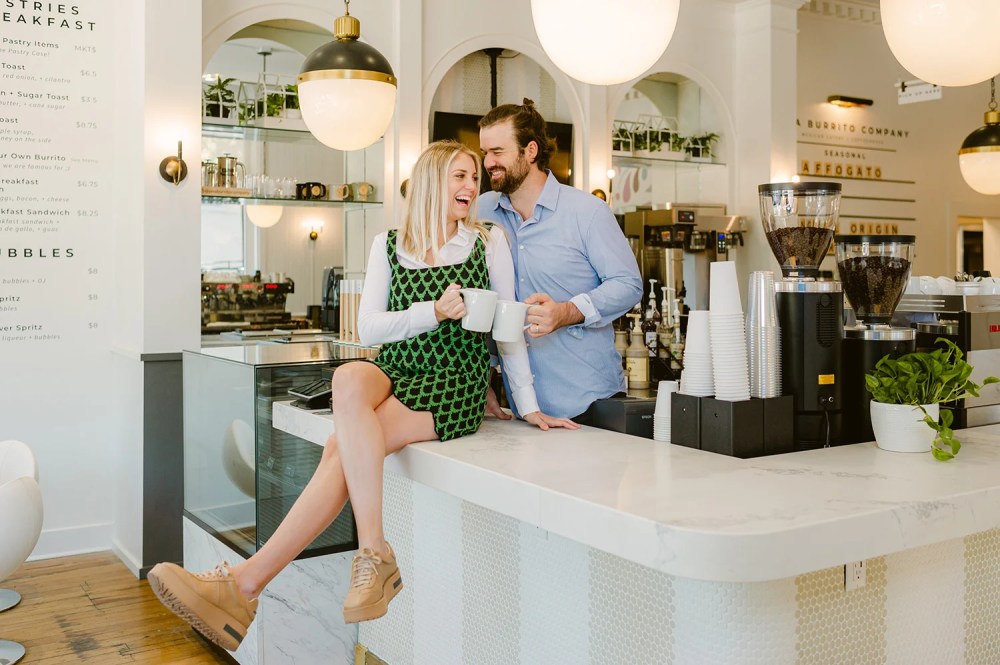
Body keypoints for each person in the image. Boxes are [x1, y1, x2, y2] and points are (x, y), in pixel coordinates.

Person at [147, 140, 577, 652]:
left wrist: (526, 404)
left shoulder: (489, 242)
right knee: (348, 377)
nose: (471, 188)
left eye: (475, 180)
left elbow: (506, 330)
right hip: (396, 368)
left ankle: (245, 585)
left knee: (338, 449)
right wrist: (432, 312)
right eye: (460, 176)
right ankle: (372, 551)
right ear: (432, 181)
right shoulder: (390, 244)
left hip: (452, 380)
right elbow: (369, 327)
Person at [477, 99, 643, 422]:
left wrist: (567, 311)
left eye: (497, 152)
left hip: (590, 406)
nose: (488, 162)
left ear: (530, 151)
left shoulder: (588, 213)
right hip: (523, 411)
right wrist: (485, 374)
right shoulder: (482, 212)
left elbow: (629, 284)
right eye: (484, 153)